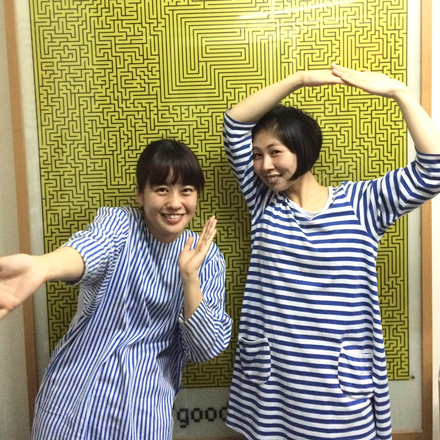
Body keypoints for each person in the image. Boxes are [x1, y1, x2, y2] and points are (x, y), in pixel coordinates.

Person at [222, 64, 440, 439]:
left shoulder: (362, 204)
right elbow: (234, 123)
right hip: (273, 385)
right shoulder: (263, 202)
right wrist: (300, 79)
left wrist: (400, 92)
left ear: (303, 150)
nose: (264, 165)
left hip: (338, 387)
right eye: (257, 155)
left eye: (275, 152)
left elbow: (432, 171)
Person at [0, 139, 232, 439]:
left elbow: (205, 348)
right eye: (162, 189)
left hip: (145, 411)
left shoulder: (207, 257)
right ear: (140, 194)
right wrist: (44, 266)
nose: (175, 202)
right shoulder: (120, 225)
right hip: (75, 398)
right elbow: (91, 248)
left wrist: (189, 276)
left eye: (186, 190)